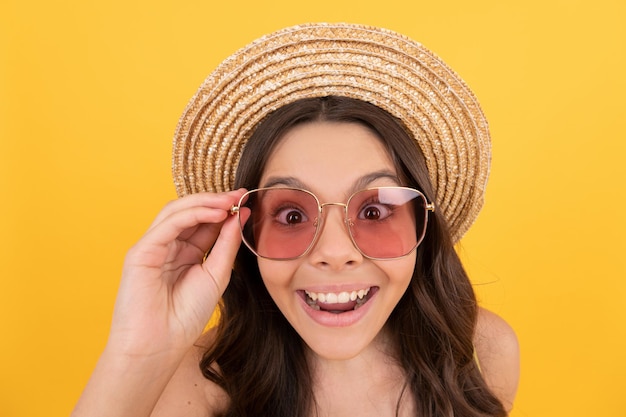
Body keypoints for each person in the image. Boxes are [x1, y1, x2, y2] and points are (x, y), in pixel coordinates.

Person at [72, 23, 519, 417]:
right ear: (245, 233)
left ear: (423, 228)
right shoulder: (194, 386)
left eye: (374, 211)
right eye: (290, 215)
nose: (335, 253)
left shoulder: (483, 353)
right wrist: (138, 354)